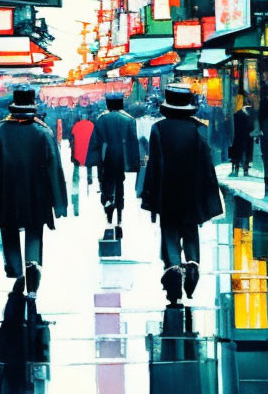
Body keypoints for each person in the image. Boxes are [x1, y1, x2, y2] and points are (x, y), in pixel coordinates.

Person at [140, 84, 224, 305]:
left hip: (167, 191)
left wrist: (150, 197)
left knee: (169, 232)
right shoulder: (198, 129)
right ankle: (193, 264)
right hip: (192, 191)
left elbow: (154, 167)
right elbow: (207, 165)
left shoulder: (158, 129)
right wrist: (208, 197)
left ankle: (174, 268)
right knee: (190, 230)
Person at [0, 87, 68, 298]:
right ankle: (32, 264)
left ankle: (17, 271)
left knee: (8, 230)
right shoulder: (43, 131)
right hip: (36, 192)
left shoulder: (0, 130)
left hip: (6, 191)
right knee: (34, 229)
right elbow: (54, 168)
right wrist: (59, 203)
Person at [86, 93, 141, 235]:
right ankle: (119, 218)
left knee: (106, 186)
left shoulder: (101, 120)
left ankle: (108, 214)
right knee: (120, 186)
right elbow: (133, 143)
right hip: (122, 159)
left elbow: (95, 143)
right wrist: (135, 163)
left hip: (106, 158)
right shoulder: (129, 120)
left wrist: (91, 161)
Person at [229, 94, 255, 177]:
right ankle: (245, 170)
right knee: (247, 152)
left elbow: (232, 127)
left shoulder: (236, 114)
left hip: (237, 136)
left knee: (237, 153)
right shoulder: (252, 113)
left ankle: (236, 170)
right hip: (248, 135)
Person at [70, 112, 96, 184]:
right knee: (89, 163)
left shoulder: (76, 125)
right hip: (88, 147)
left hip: (78, 147)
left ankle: (76, 177)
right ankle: (89, 177)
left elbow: (72, 135)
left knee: (77, 162)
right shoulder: (91, 124)